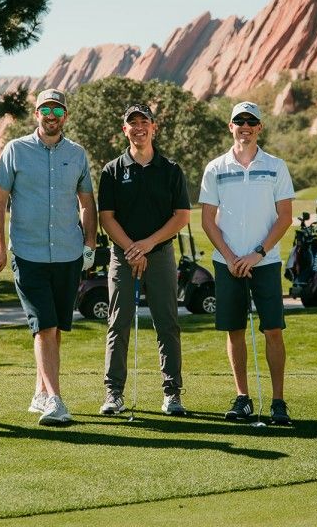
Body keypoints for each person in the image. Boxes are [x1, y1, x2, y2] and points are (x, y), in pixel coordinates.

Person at [0, 88, 97, 426]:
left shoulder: (77, 154)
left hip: (68, 254)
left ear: (65, 116)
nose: (52, 116)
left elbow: (86, 204)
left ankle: (39, 392)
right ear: (36, 114)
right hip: (29, 253)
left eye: (58, 111)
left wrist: (89, 245)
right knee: (44, 327)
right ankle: (55, 400)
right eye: (45, 110)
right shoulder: (15, 150)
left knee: (55, 328)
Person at [199, 101, 295, 425]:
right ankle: (242, 398)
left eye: (250, 121)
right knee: (234, 330)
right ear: (230, 126)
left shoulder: (276, 166)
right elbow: (208, 221)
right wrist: (230, 257)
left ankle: (278, 402)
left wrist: (257, 253)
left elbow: (285, 218)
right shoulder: (215, 168)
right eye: (238, 120)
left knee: (273, 330)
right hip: (227, 262)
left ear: (259, 128)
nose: (244, 126)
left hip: (265, 262)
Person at [97, 103, 191, 416]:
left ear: (154, 127)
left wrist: (147, 245)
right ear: (124, 130)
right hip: (122, 256)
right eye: (132, 123)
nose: (139, 128)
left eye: (144, 122)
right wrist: (131, 249)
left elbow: (182, 216)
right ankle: (113, 393)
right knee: (118, 324)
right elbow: (106, 218)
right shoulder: (112, 170)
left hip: (161, 254)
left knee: (167, 323)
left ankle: (172, 393)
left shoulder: (171, 169)